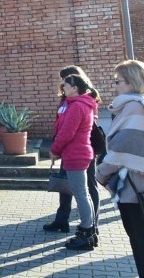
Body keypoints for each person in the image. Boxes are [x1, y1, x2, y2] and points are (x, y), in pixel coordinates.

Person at [95, 60, 144, 278]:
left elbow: (128, 147)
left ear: (132, 82)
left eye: (119, 81)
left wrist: (101, 172)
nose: (115, 86)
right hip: (137, 185)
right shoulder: (137, 104)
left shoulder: (135, 107)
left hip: (138, 188)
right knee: (139, 238)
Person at [43, 66, 101, 238]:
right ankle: (67, 222)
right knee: (75, 190)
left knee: (85, 191)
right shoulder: (70, 102)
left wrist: (55, 149)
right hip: (72, 151)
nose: (62, 85)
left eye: (65, 81)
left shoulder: (79, 104)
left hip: (78, 151)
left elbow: (69, 131)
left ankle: (89, 227)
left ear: (75, 84)